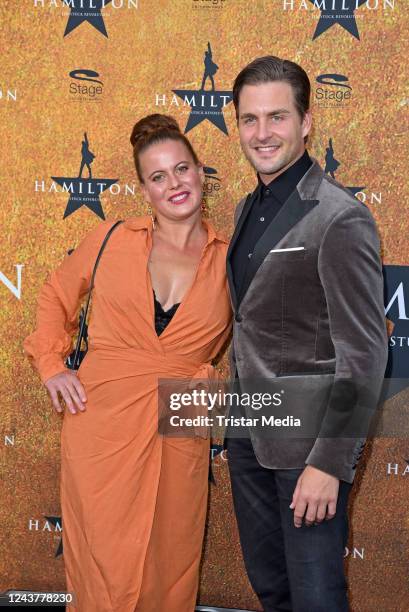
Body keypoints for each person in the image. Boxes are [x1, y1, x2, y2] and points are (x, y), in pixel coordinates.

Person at [24, 114, 232, 612]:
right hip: (101, 419)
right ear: (144, 190)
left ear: (201, 172)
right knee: (104, 563)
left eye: (181, 169)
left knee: (170, 556)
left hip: (181, 419)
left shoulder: (233, 257)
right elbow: (56, 295)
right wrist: (52, 364)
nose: (174, 184)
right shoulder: (112, 239)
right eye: (157, 176)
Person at [225, 56, 388, 611]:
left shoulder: (340, 217)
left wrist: (328, 464)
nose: (262, 133)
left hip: (309, 451)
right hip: (249, 438)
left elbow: (365, 354)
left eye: (277, 117)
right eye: (250, 119)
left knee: (317, 599)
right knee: (273, 591)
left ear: (306, 122)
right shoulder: (249, 207)